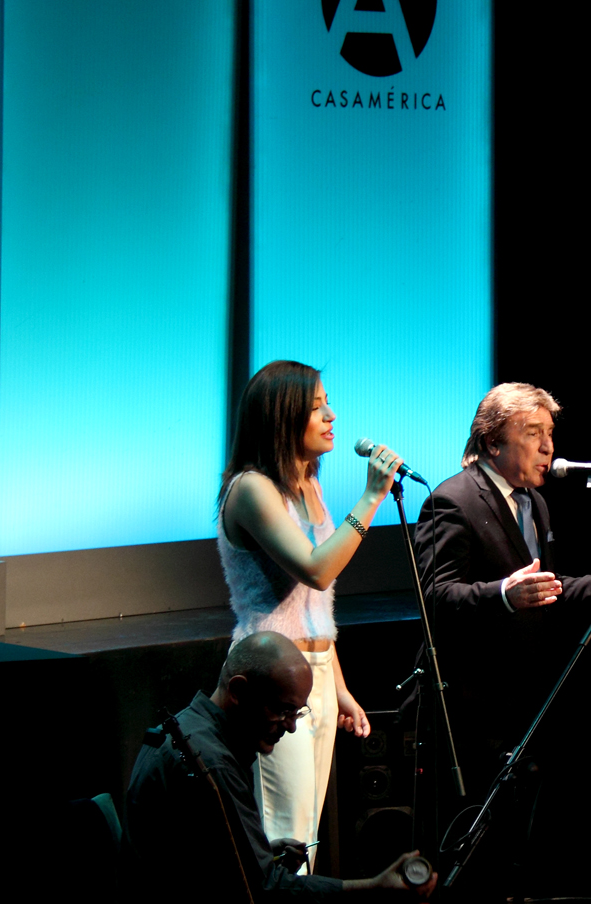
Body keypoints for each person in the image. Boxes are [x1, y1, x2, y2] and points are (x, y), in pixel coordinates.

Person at [411, 383, 591, 857]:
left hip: (528, 700)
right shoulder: (453, 500)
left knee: (519, 847)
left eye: (549, 433)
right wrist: (503, 595)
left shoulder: (535, 502)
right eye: (533, 433)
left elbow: (546, 588)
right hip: (473, 707)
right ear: (492, 442)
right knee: (473, 850)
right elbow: (435, 597)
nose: (549, 447)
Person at [217, 360, 405, 871]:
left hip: (314, 673)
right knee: (286, 835)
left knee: (309, 837)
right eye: (318, 405)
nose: (331, 414)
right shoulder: (253, 489)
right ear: (283, 415)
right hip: (272, 676)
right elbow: (316, 572)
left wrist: (337, 686)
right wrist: (370, 499)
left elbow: (318, 607)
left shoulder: (309, 487)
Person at [126, 632, 437, 901]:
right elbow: (267, 891)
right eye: (283, 710)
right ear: (238, 691)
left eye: (297, 713)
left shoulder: (191, 727)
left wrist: (262, 852)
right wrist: (372, 888)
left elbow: (203, 858)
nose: (290, 727)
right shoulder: (212, 766)